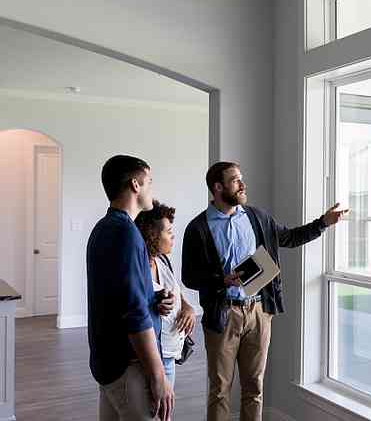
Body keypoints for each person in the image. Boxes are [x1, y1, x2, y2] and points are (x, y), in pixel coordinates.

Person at [182, 161, 347, 421]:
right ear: (217, 187)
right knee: (220, 391)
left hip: (259, 312)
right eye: (235, 180)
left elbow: (290, 238)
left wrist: (323, 222)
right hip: (223, 315)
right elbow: (189, 276)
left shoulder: (257, 217)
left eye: (241, 178)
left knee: (254, 387)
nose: (242, 184)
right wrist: (221, 280)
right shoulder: (198, 228)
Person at [86, 155, 174, 421]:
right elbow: (133, 313)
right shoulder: (126, 233)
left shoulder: (103, 228)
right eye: (149, 181)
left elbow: (116, 295)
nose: (151, 189)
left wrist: (153, 296)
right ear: (135, 185)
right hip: (129, 367)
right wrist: (158, 375)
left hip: (108, 364)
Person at [136, 200, 197, 388]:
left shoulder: (162, 260)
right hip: (154, 360)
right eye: (168, 232)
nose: (173, 237)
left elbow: (176, 290)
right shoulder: (138, 269)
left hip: (170, 356)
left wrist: (188, 308)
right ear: (152, 235)